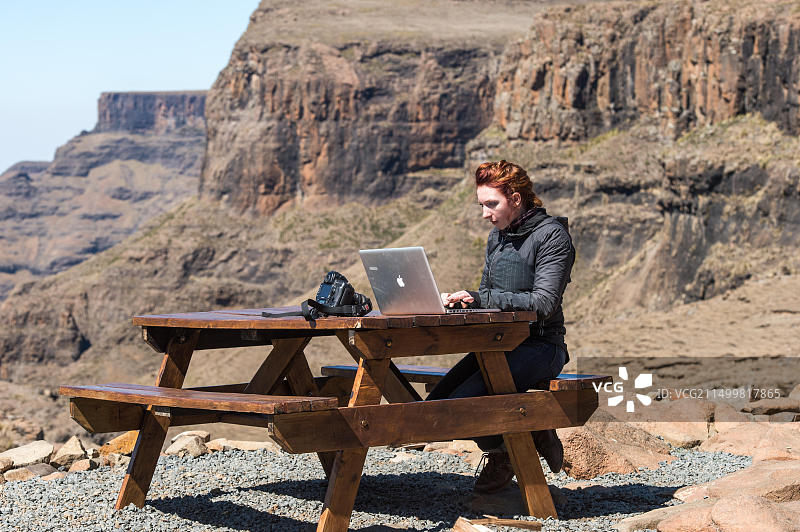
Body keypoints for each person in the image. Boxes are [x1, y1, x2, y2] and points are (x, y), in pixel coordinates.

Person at [428, 159, 575, 493]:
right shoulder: (498, 237)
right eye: (481, 205)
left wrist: (481, 297)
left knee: (461, 408)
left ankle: (509, 449)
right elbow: (488, 296)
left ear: (516, 199)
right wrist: (462, 303)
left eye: (491, 204)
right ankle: (526, 432)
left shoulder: (552, 236)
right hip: (497, 346)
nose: (485, 214)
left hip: (541, 347)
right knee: (436, 406)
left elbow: (543, 303)